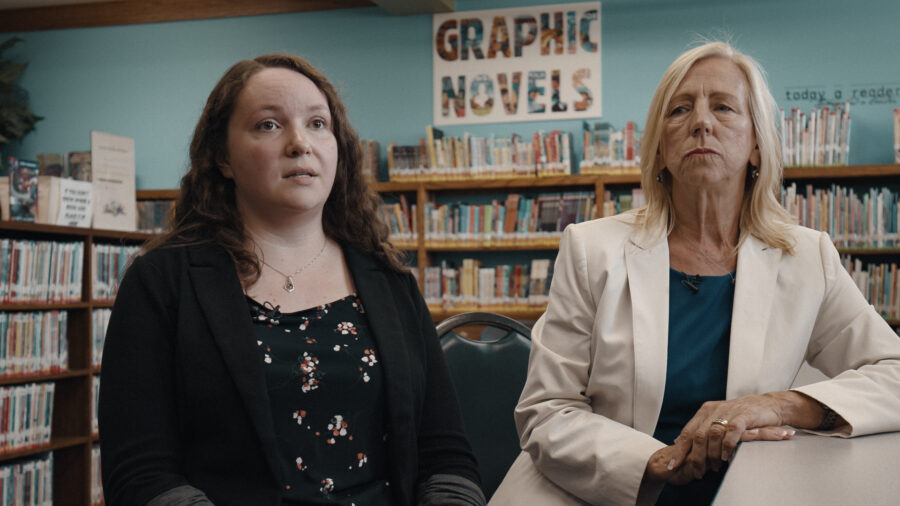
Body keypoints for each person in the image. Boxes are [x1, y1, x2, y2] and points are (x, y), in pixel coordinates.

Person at [489, 41, 900, 506]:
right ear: (661, 151)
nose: (701, 121)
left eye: (723, 107)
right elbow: (547, 411)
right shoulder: (592, 249)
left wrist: (779, 405)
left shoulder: (807, 257)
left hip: (746, 486)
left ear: (758, 147)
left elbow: (894, 373)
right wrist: (654, 462)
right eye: (680, 110)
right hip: (598, 489)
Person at [99, 54, 484, 506]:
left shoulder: (389, 279)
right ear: (222, 156)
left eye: (318, 124)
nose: (301, 143)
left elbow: (446, 455)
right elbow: (140, 472)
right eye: (268, 125)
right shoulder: (162, 283)